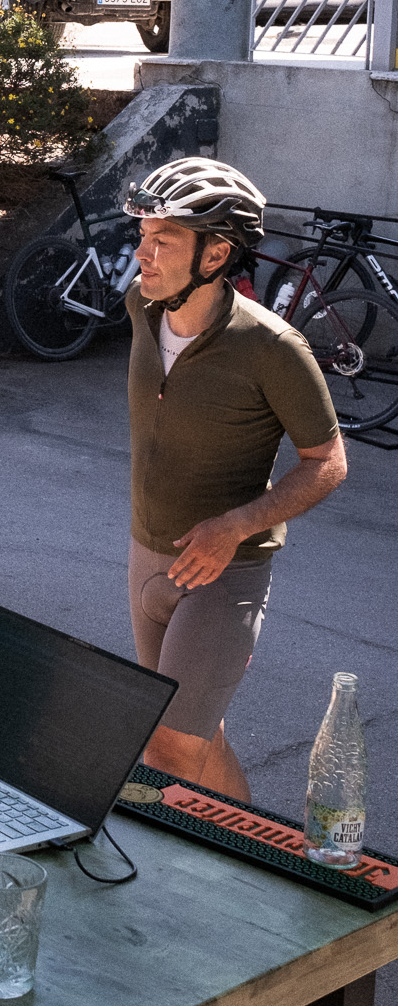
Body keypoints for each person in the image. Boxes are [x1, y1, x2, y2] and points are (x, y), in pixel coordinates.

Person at [124, 157, 347, 800]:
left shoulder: (272, 348)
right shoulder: (142, 305)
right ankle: (257, 846)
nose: (142, 253)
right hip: (145, 558)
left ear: (216, 254)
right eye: (143, 235)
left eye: (164, 240)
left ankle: (221, 857)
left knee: (169, 747)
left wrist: (237, 525)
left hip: (222, 573)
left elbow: (328, 462)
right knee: (187, 734)